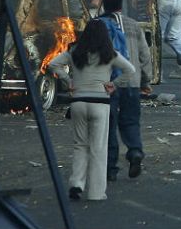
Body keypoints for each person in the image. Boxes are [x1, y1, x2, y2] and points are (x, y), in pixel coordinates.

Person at [48, 20, 135, 201]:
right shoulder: (109, 54)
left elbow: (53, 64)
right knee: (98, 148)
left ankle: (76, 184)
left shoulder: (74, 51)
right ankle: (96, 192)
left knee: (80, 145)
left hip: (78, 102)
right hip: (100, 102)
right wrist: (114, 84)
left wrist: (67, 80)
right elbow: (130, 70)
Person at [100, 0, 152, 182]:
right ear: (122, 5)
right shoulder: (133, 25)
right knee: (130, 121)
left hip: (109, 84)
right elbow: (145, 56)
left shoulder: (99, 25)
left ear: (104, 5)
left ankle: (110, 168)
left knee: (109, 125)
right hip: (132, 82)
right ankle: (135, 151)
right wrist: (145, 81)